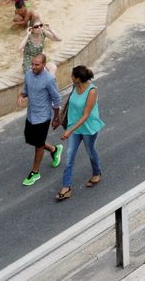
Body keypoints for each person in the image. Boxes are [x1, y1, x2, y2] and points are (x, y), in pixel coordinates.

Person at [54, 64, 104, 201]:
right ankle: (66, 187)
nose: (70, 77)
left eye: (72, 76)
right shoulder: (75, 86)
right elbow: (70, 106)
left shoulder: (92, 91)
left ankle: (97, 173)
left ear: (77, 79)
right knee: (69, 157)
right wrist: (60, 120)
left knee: (90, 151)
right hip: (73, 127)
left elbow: (86, 115)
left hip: (88, 128)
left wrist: (69, 131)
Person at [18, 53, 63, 186]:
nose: (33, 66)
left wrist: (56, 118)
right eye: (32, 64)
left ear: (43, 64)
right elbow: (25, 90)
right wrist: (21, 96)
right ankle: (54, 149)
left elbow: (56, 99)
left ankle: (35, 172)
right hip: (31, 115)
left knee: (38, 144)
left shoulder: (49, 79)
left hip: (43, 117)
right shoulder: (28, 74)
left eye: (36, 64)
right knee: (31, 140)